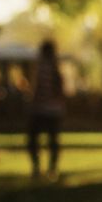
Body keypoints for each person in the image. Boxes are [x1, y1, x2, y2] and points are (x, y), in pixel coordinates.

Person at [27, 40, 66, 179]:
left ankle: (39, 168)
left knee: (35, 140)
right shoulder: (55, 68)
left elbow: (37, 90)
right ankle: (51, 168)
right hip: (53, 110)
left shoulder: (41, 68)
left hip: (42, 110)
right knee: (52, 141)